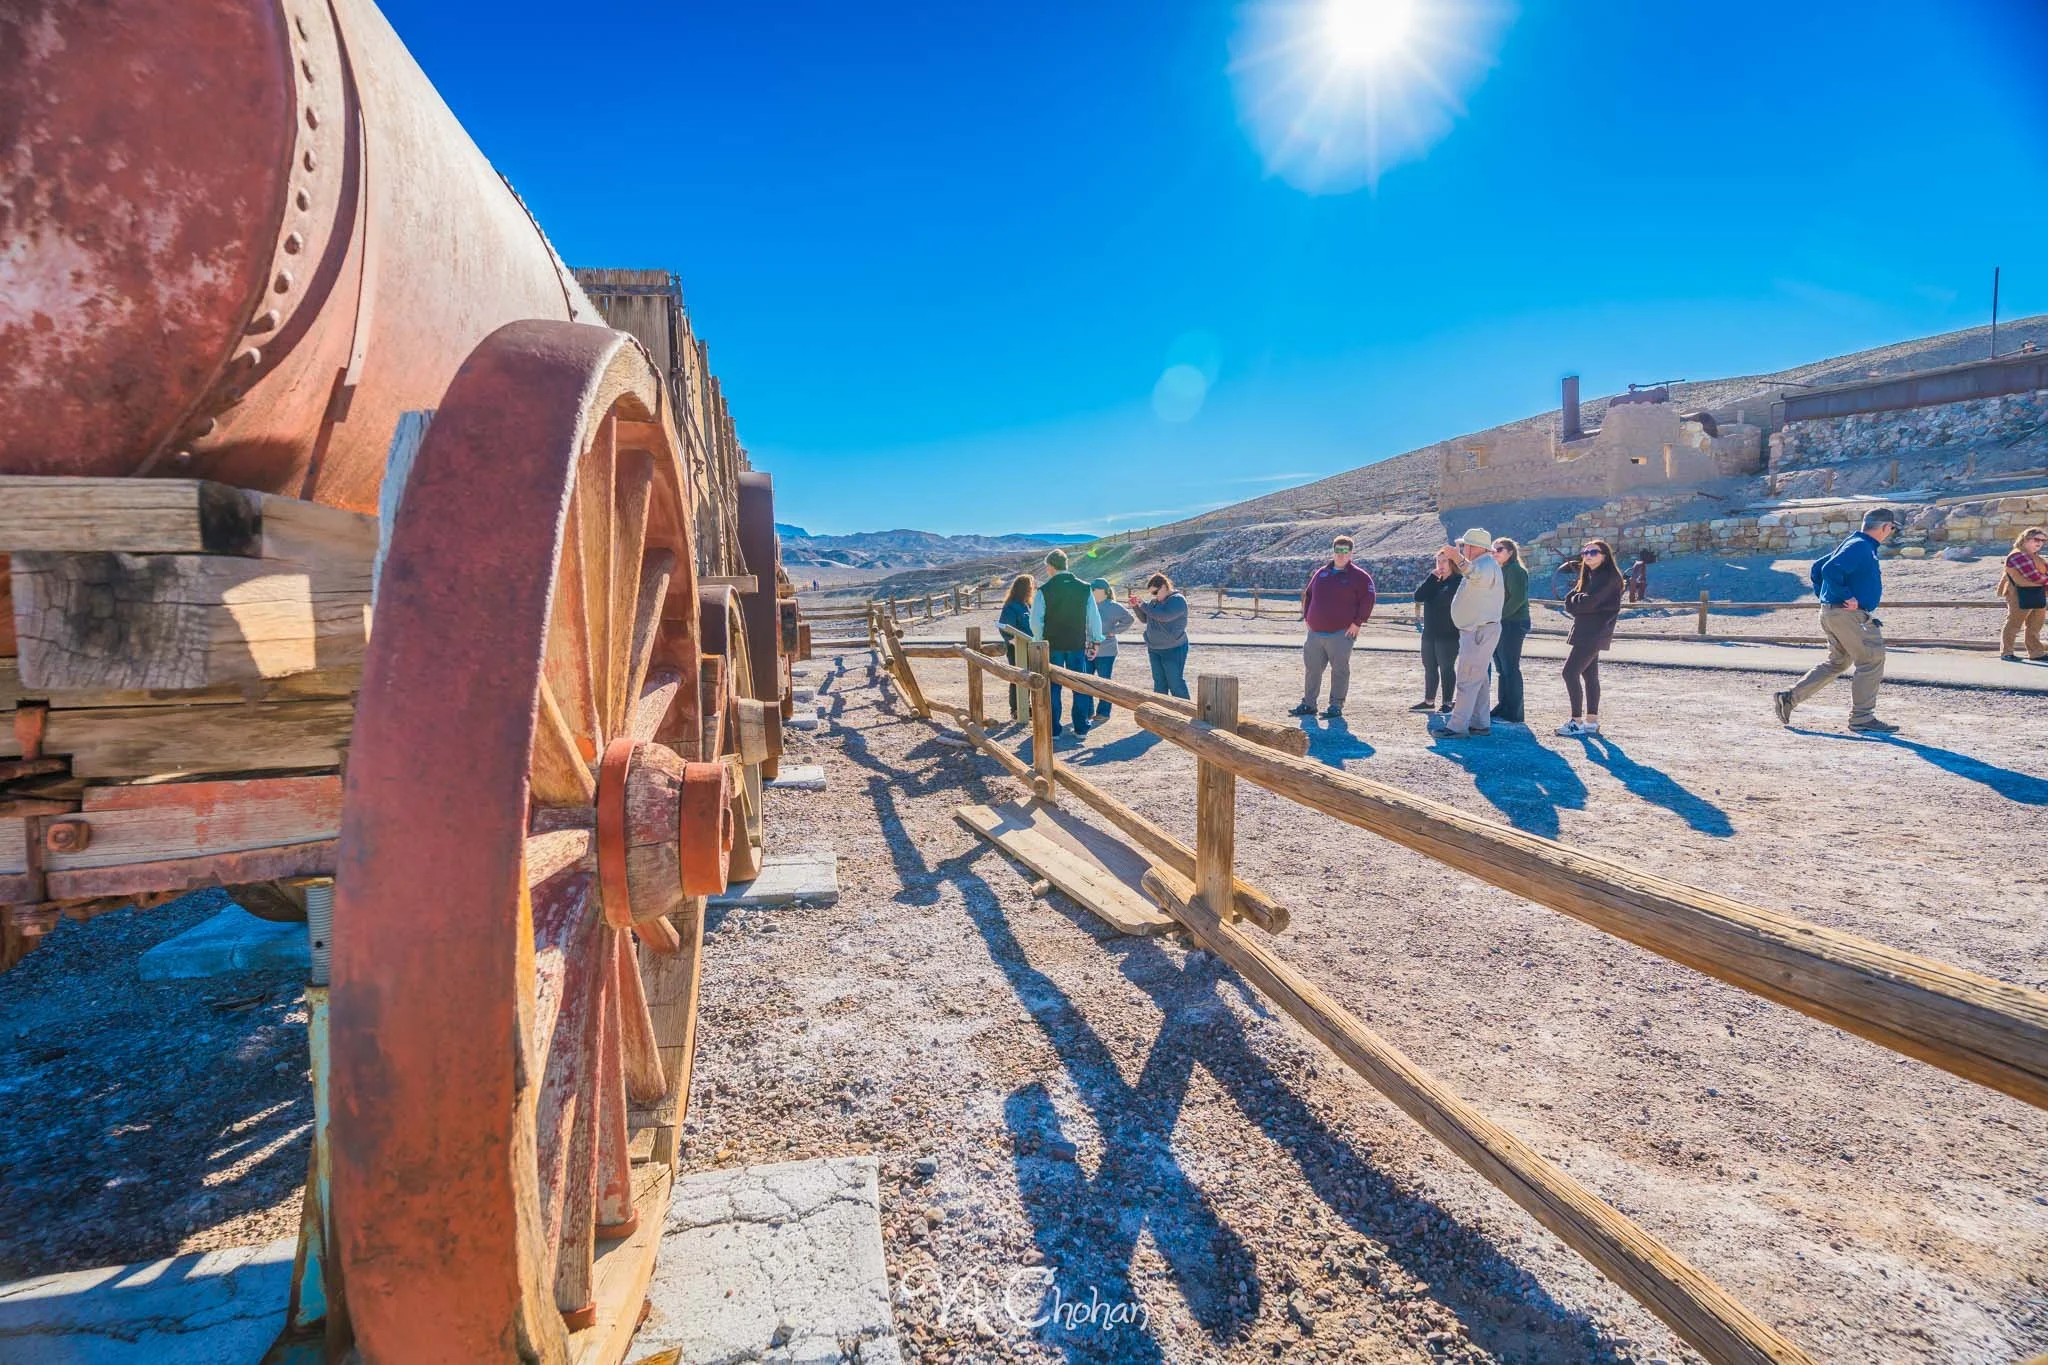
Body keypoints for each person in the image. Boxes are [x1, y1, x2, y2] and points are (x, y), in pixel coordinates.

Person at [1774, 507, 1901, 733]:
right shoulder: (1861, 546)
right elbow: (1829, 569)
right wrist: (1843, 596)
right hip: (1848, 615)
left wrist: (1827, 598)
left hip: (1835, 613)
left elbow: (1818, 569)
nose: (1890, 532)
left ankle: (1789, 698)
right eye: (1891, 528)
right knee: (1871, 659)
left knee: (1838, 662)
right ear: (1884, 527)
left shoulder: (1855, 543)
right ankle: (1862, 718)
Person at [1289, 534, 1377, 719]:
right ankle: (1309, 704)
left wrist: (1358, 622)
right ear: (1333, 551)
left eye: (1345, 551)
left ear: (1351, 553)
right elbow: (1308, 594)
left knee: (1339, 670)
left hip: (1341, 632)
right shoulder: (1321, 573)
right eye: (1338, 550)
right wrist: (1307, 617)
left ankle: (1336, 706)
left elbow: (1368, 599)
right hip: (1315, 632)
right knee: (1312, 669)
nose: (1341, 554)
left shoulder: (1359, 576)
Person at [1428, 528, 1503, 739]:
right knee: (1478, 679)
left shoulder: (1484, 565)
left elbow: (1473, 574)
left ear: (1474, 547)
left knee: (1467, 680)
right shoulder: (1485, 564)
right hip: (1478, 629)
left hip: (1479, 630)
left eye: (1465, 545)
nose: (1462, 549)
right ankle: (1479, 723)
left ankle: (1457, 726)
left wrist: (1456, 558)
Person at [1027, 548, 1103, 737]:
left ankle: (1054, 728)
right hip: (1076, 643)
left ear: (1051, 566)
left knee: (1053, 687)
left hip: (1052, 645)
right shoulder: (1084, 588)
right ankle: (1081, 727)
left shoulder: (1044, 590)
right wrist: (1095, 640)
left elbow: (1036, 621)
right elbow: (1093, 618)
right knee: (1079, 685)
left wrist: (1039, 640)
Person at [1555, 540, 1623, 737]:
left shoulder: (1608, 577)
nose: (1587, 556)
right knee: (1589, 675)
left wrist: (1577, 600)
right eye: (1584, 553)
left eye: (1593, 552)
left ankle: (1576, 722)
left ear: (1605, 555)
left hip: (1594, 632)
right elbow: (1571, 602)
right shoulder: (1590, 576)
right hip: (1587, 631)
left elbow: (1586, 602)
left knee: (1569, 673)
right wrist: (1577, 601)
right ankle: (1591, 722)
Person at [1408, 551, 1460, 713]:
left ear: (1452, 563)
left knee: (1446, 668)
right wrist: (1431, 578)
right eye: (1438, 561)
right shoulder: (1434, 581)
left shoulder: (1458, 581)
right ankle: (1429, 701)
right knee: (1429, 667)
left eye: (1444, 561)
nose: (1440, 565)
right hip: (1429, 632)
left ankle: (1447, 702)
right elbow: (1418, 596)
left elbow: (1446, 599)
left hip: (1448, 633)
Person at [1128, 572, 1191, 699]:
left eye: (1156, 592)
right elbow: (1145, 619)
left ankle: (1185, 710)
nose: (1155, 596)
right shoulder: (1154, 603)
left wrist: (1143, 605)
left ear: (1164, 586)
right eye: (1152, 594)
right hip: (1154, 649)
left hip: (1173, 649)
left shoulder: (1178, 600)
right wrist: (1136, 607)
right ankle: (1160, 710)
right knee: (1159, 685)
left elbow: (1163, 617)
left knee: (1175, 684)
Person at [1490, 537, 1531, 725]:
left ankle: (1514, 712)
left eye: (1499, 549)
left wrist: (1499, 616)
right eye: (1493, 549)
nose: (1495, 552)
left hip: (1513, 623)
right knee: (1502, 668)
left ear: (1511, 552)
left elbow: (1518, 599)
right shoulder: (1502, 570)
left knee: (1510, 667)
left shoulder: (1515, 570)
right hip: (1503, 622)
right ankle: (1503, 706)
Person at [1996, 526, 2048, 661]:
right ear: (2026, 539)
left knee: (2035, 625)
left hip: (2036, 593)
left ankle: (2036, 652)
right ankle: (2007, 652)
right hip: (2019, 594)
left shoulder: (2034, 556)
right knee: (2014, 624)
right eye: (2036, 539)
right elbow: (2034, 576)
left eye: (2043, 540)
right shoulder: (2018, 555)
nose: (2040, 543)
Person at [1087, 577, 1135, 717]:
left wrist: (1114, 631)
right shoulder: (1087, 605)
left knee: (1104, 682)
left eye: (1094, 589)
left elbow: (1129, 619)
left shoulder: (1114, 607)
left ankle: (1103, 712)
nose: (1091, 591)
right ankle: (1087, 711)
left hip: (1106, 651)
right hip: (1087, 649)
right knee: (1086, 681)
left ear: (1104, 591)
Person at [997, 574, 1035, 722]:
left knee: (1029, 677)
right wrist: (1012, 640)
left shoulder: (1027, 605)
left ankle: (1027, 706)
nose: (1033, 588)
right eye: (1031, 586)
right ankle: (1016, 709)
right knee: (1017, 677)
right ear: (1024, 588)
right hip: (1017, 649)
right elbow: (1004, 626)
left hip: (1030, 646)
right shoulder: (1011, 606)